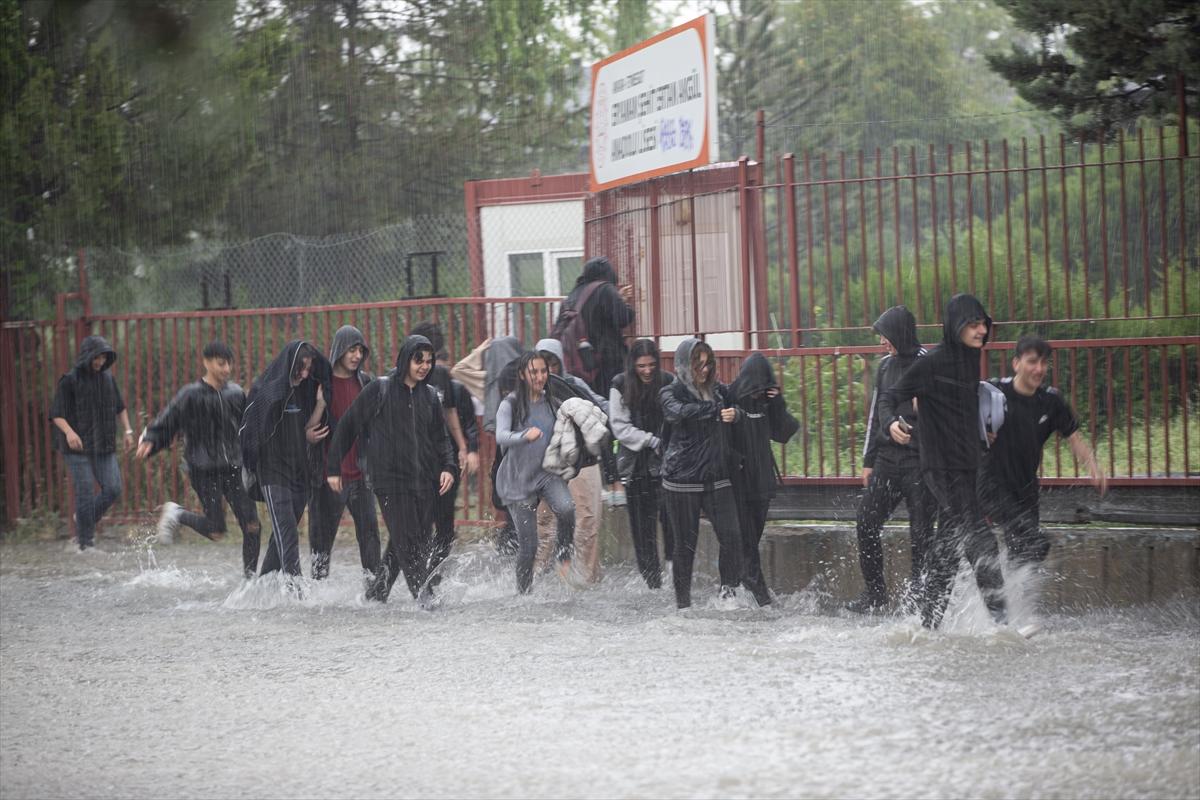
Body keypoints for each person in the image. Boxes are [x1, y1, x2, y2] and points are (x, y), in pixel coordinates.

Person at [887, 294, 1008, 629]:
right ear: (956, 326)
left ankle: (928, 625)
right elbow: (891, 395)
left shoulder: (971, 358)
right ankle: (1003, 622)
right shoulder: (933, 361)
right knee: (979, 537)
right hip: (940, 467)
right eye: (974, 324)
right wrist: (892, 422)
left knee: (948, 550)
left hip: (967, 465)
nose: (982, 330)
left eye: (984, 323)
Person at [324, 335, 457, 604]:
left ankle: (377, 593)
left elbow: (441, 438)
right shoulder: (379, 390)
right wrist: (333, 467)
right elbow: (348, 426)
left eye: (429, 361)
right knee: (409, 542)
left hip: (422, 481)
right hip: (389, 482)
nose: (424, 366)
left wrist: (448, 467)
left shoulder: (430, 396)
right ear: (406, 357)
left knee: (408, 539)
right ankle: (425, 598)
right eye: (419, 359)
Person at [136, 341, 262, 575]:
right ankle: (177, 513)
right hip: (203, 469)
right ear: (206, 362)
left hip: (234, 467)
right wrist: (151, 440)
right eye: (221, 363)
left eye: (229, 364)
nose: (226, 369)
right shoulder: (190, 395)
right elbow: (168, 420)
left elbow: (249, 427)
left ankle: (250, 581)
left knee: (252, 526)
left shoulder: (236, 393)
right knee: (215, 530)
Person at [980, 334, 1106, 566]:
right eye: (1032, 362)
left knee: (1027, 554)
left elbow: (1073, 436)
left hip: (1026, 486)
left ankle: (1012, 596)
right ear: (1016, 363)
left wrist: (1093, 466)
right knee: (1035, 541)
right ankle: (995, 589)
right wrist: (981, 432)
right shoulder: (995, 391)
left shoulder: (1051, 401)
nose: (1039, 369)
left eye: (1043, 362)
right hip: (991, 484)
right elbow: (965, 419)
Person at [847, 306, 938, 614]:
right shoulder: (885, 366)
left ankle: (920, 600)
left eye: (885, 336)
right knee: (866, 521)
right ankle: (875, 594)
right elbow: (876, 414)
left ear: (899, 333)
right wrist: (868, 460)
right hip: (887, 460)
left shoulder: (929, 363)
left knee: (921, 534)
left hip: (920, 462)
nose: (882, 343)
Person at [659, 338, 744, 609]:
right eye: (698, 365)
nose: (705, 371)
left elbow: (736, 406)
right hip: (681, 480)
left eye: (708, 364)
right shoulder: (670, 392)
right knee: (685, 547)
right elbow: (680, 414)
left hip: (717, 476)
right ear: (684, 365)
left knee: (732, 537)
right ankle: (683, 605)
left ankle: (727, 594)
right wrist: (716, 411)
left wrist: (736, 414)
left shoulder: (718, 391)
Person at [239, 340, 330, 579]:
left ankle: (262, 586)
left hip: (299, 473)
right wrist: (252, 468)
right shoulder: (265, 390)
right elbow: (252, 433)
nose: (304, 373)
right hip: (272, 473)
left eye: (309, 368)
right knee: (288, 535)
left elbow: (306, 428)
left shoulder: (305, 389)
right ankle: (296, 592)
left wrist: (320, 404)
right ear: (289, 364)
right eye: (300, 367)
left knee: (281, 540)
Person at [494, 352, 576, 594]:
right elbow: (500, 435)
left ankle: (563, 556)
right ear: (522, 375)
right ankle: (524, 593)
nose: (540, 377)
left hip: (546, 474)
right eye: (534, 372)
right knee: (529, 546)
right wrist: (523, 435)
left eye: (543, 371)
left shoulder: (552, 402)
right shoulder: (509, 403)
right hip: (517, 479)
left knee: (567, 508)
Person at [307, 326, 381, 581]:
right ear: (340, 350)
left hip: (360, 472)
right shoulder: (320, 384)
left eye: (360, 350)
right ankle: (318, 589)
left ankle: (374, 589)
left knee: (370, 532)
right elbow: (306, 427)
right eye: (352, 349)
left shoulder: (366, 382)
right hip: (328, 474)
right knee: (321, 537)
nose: (357, 355)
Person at [49, 335, 135, 551]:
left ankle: (83, 519)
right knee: (85, 489)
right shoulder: (69, 380)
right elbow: (57, 413)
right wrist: (69, 433)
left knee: (113, 488)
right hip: (76, 447)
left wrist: (128, 430)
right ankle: (85, 543)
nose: (100, 362)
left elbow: (120, 407)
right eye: (96, 358)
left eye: (103, 357)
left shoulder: (108, 378)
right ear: (87, 357)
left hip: (102, 444)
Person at [727, 353, 800, 607]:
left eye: (764, 391)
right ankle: (761, 599)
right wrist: (736, 459)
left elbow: (784, 432)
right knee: (745, 542)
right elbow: (720, 436)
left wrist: (776, 403)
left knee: (750, 540)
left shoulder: (767, 403)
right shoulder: (730, 396)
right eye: (756, 391)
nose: (759, 395)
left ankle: (733, 591)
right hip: (737, 482)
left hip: (761, 483)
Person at [533, 338, 607, 584]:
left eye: (552, 364)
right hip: (546, 467)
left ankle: (585, 580)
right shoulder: (527, 394)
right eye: (541, 366)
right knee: (544, 524)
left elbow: (600, 409)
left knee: (586, 522)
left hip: (583, 464)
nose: (548, 372)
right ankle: (537, 579)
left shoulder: (573, 385)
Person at [609, 339, 675, 589]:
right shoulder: (619, 384)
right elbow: (619, 426)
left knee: (670, 517)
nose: (647, 371)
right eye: (641, 366)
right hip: (636, 465)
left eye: (651, 365)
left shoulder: (668, 381)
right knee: (641, 526)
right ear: (632, 365)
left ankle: (672, 567)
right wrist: (650, 440)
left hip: (667, 462)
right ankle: (652, 581)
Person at [428, 373, 480, 592]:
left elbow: (468, 423)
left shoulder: (455, 389)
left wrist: (470, 449)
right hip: (420, 464)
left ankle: (435, 573)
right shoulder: (404, 386)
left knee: (445, 525)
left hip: (448, 463)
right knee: (417, 525)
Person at [563, 256, 635, 395]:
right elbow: (624, 317)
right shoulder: (605, 289)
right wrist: (624, 303)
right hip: (606, 361)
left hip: (581, 361)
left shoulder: (575, 293)